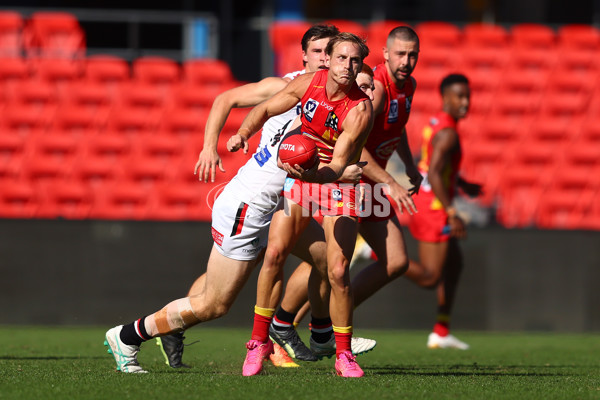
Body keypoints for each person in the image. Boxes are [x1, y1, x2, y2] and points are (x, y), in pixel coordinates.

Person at [102, 24, 350, 374]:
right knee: (214, 305)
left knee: (328, 258)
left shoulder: (333, 97)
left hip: (275, 206)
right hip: (248, 206)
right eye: (320, 52)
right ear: (305, 56)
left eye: (332, 52)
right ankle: (128, 336)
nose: (327, 59)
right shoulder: (286, 87)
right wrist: (211, 146)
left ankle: (310, 333)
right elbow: (227, 99)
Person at [267, 26, 424, 356]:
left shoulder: (407, 86)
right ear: (385, 54)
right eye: (400, 54)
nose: (406, 61)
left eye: (413, 55)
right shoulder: (374, 88)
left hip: (369, 185)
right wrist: (391, 183)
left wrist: (408, 165)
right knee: (327, 261)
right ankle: (292, 324)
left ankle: (321, 325)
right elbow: (353, 146)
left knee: (391, 262)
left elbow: (398, 128)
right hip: (352, 182)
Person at [233, 32, 373, 378]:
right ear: (330, 58)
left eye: (354, 60)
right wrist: (243, 133)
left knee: (339, 271)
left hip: (336, 185)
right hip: (304, 176)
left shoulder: (360, 108)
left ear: (360, 66)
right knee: (274, 254)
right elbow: (265, 108)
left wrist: (307, 174)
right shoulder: (309, 83)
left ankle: (343, 356)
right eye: (341, 57)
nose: (347, 65)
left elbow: (340, 165)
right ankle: (258, 343)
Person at [404, 73, 482, 350]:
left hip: (429, 199)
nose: (465, 102)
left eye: (467, 96)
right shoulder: (448, 133)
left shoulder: (440, 123)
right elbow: (435, 173)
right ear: (445, 97)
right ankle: (375, 252)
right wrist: (451, 210)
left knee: (455, 263)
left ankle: (441, 330)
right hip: (434, 207)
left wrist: (462, 183)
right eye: (459, 96)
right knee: (430, 277)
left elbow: (433, 166)